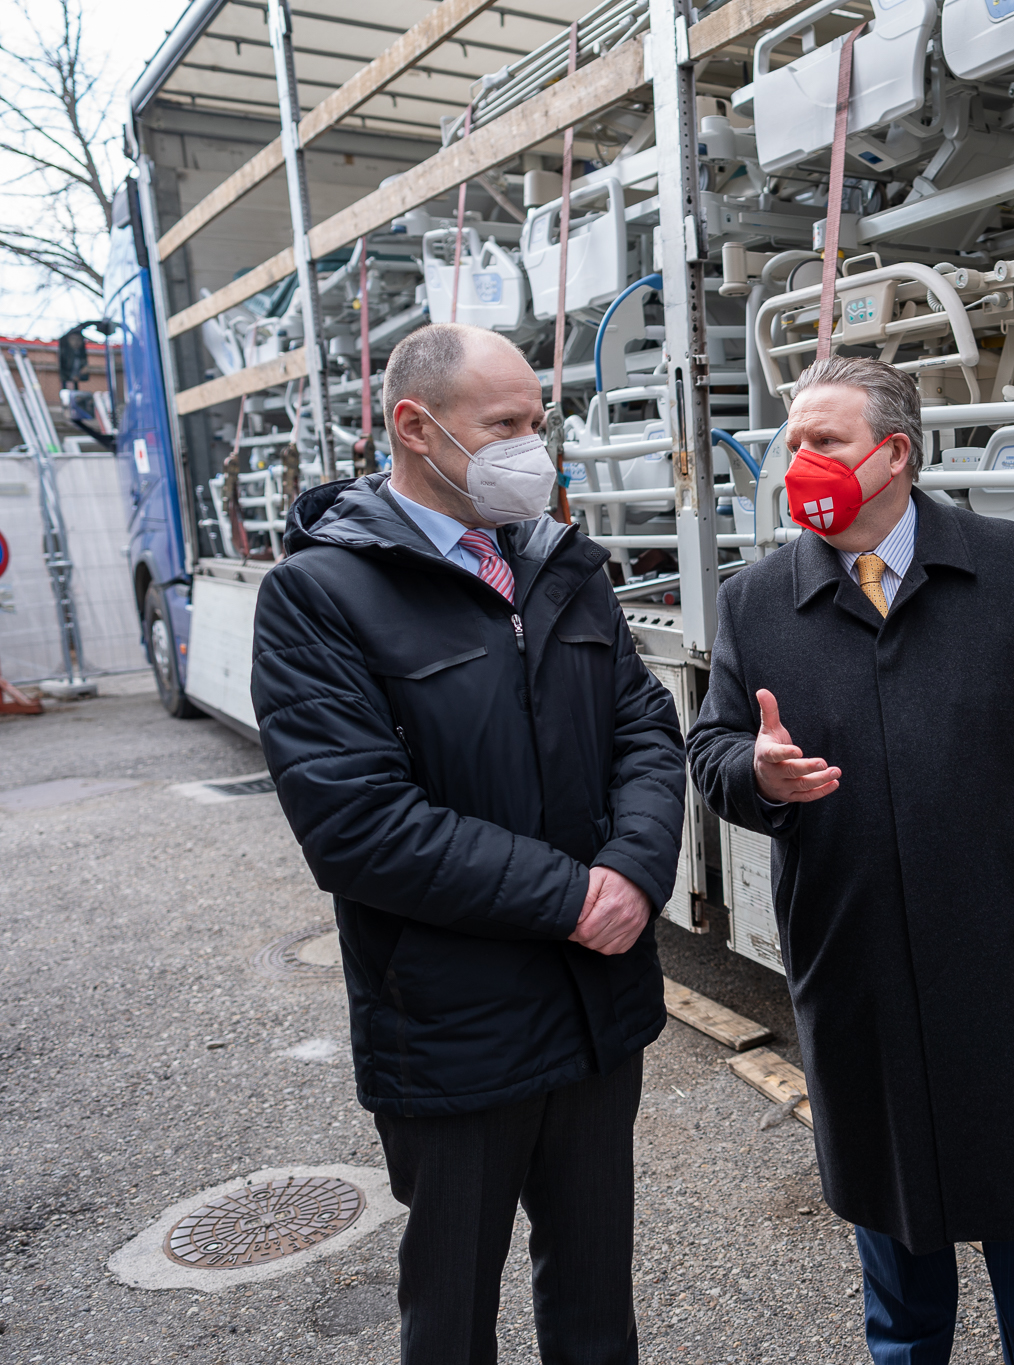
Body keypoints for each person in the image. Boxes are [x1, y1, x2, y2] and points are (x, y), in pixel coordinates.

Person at [686, 355, 1014, 1364]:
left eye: (821, 444)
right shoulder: (757, 599)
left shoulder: (1001, 563)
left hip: (994, 950)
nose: (798, 465)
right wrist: (759, 772)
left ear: (894, 456)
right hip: (855, 948)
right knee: (892, 1203)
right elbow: (712, 749)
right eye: (792, 445)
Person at [250, 323, 687, 1364]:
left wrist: (632, 870)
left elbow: (643, 730)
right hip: (453, 1025)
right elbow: (359, 824)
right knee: (451, 1313)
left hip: (596, 1013)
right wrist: (575, 897)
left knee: (594, 1299)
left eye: (538, 424)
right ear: (414, 427)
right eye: (505, 426)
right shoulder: (321, 595)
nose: (533, 449)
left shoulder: (558, 565)